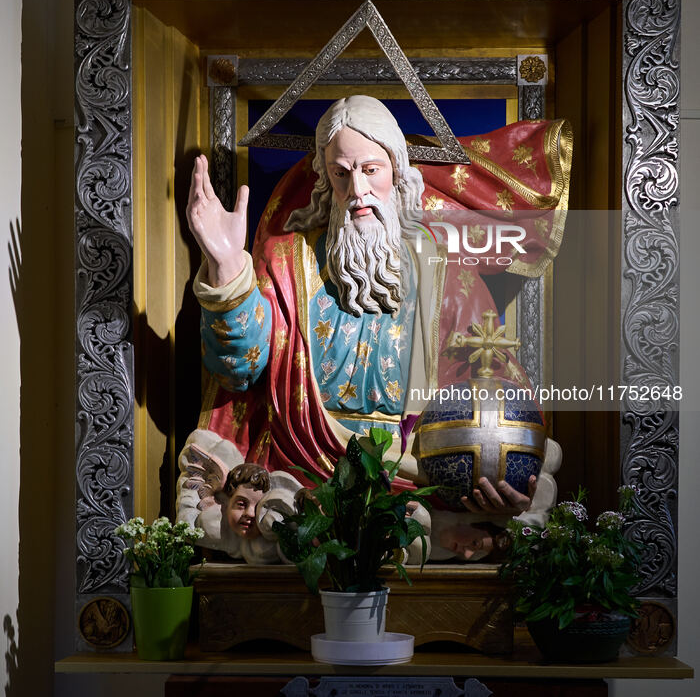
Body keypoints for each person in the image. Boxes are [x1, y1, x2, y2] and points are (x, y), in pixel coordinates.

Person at [185, 95, 569, 559]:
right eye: (342, 172)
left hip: (409, 468)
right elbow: (238, 370)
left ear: (397, 172)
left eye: (371, 170)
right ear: (324, 177)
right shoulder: (289, 259)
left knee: (476, 515)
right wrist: (227, 269)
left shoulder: (443, 269)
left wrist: (504, 463)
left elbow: (491, 379)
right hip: (301, 463)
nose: (358, 190)